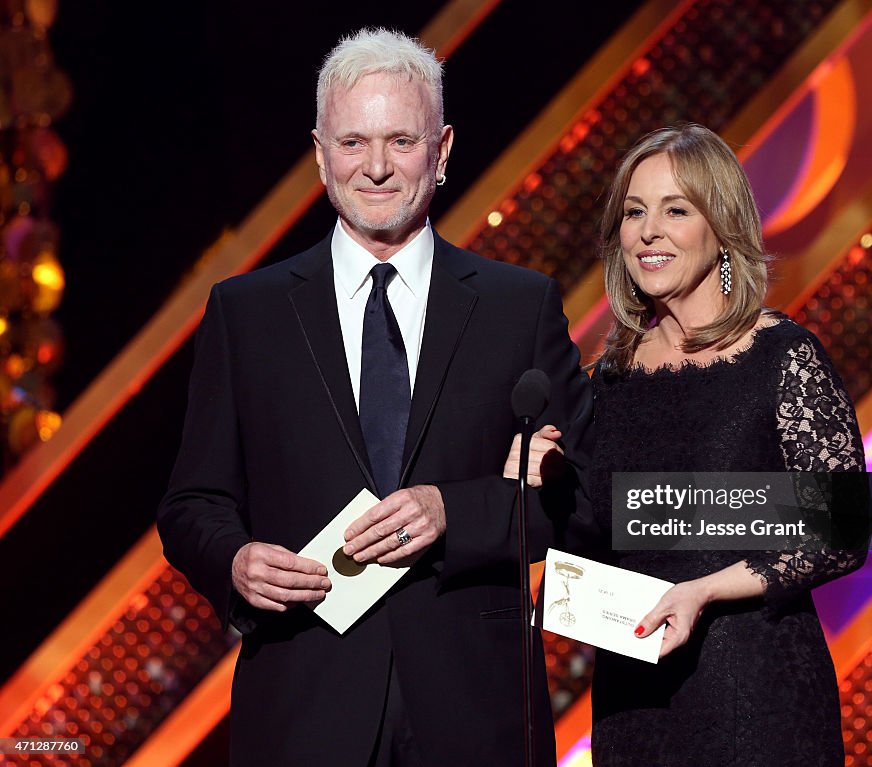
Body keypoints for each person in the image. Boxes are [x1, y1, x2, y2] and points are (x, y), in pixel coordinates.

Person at [156, 28, 592, 767]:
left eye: (402, 139)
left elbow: (577, 496)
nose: (379, 167)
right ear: (322, 153)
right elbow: (191, 503)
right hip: (302, 706)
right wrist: (233, 562)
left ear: (444, 149)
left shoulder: (520, 307)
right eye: (354, 142)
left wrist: (454, 510)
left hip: (476, 712)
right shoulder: (247, 312)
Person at [511, 124, 868, 766]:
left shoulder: (781, 356)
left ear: (722, 226)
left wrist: (703, 589)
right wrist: (552, 477)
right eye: (634, 212)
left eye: (676, 210)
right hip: (636, 700)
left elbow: (838, 526)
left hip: (756, 695)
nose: (649, 231)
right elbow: (609, 531)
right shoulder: (608, 379)